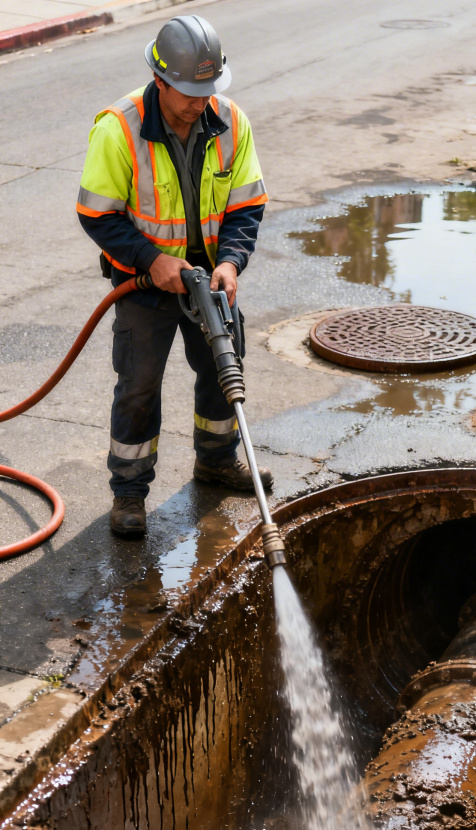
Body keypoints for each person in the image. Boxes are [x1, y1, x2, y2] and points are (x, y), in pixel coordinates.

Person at [77, 13, 271, 538]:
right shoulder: (119, 129)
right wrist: (152, 261)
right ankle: (129, 492)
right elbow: (97, 215)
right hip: (146, 284)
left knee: (223, 368)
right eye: (189, 92)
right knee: (139, 385)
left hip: (210, 279)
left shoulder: (230, 121)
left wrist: (230, 263)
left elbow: (246, 205)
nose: (199, 102)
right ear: (159, 80)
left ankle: (217, 460)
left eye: (208, 90)